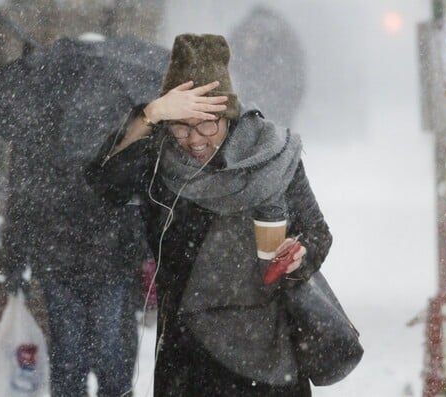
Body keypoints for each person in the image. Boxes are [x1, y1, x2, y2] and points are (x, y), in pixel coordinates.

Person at [86, 33, 332, 396]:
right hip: (188, 356)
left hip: (266, 349)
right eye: (181, 125)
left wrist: (299, 256)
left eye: (207, 124)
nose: (195, 139)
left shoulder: (270, 155)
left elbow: (317, 233)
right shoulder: (158, 160)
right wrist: (150, 114)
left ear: (229, 117)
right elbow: (104, 182)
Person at [0, 39, 157, 397]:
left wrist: (142, 249)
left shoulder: (119, 134)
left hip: (103, 260)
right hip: (63, 259)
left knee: (107, 355)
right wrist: (15, 260)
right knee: (72, 357)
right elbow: (22, 203)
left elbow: (138, 196)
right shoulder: (36, 140)